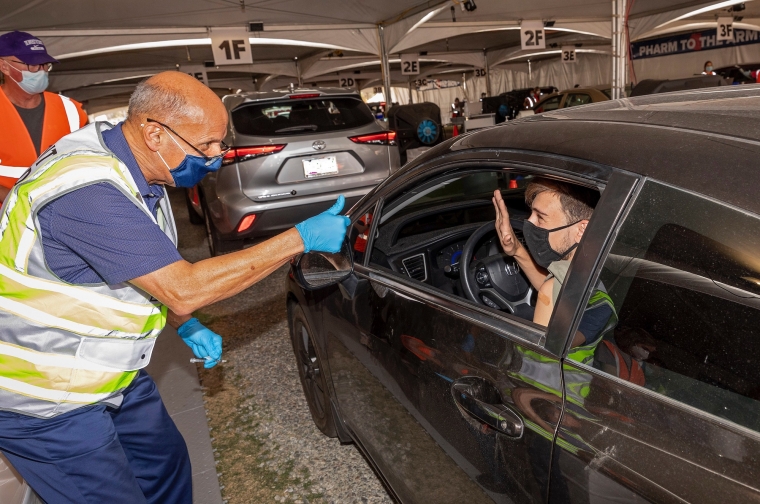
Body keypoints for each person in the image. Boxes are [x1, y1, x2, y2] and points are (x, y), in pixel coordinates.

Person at [0, 71, 350, 503]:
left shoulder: (144, 171)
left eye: (220, 143)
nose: (218, 156)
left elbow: (146, 271)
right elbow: (181, 286)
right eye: (205, 145)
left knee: (166, 467)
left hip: (108, 373)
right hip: (43, 396)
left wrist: (186, 325)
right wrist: (299, 239)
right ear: (153, 133)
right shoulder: (86, 191)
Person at [492, 178, 616, 364]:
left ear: (582, 229)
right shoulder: (591, 271)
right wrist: (516, 249)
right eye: (531, 214)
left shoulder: (554, 288)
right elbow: (557, 290)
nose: (529, 222)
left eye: (540, 217)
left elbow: (539, 363)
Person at [0, 31, 87, 204]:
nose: (41, 71)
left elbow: (85, 161)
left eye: (45, 65)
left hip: (59, 212)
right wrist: (20, 201)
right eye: (32, 65)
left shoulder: (71, 109)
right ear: (4, 66)